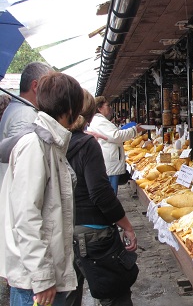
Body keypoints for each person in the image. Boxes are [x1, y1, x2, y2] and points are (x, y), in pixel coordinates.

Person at [0, 72, 84, 306]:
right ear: (70, 108)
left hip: (43, 278)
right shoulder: (34, 146)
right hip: (35, 284)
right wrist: (43, 277)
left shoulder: (49, 142)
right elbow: (26, 216)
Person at [65, 90, 138, 306]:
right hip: (93, 232)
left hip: (67, 229)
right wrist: (127, 226)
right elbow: (101, 194)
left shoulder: (56, 141)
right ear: (90, 114)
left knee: (70, 293)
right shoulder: (87, 144)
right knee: (114, 294)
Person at [0, 62, 54, 188]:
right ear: (35, 86)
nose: (53, 93)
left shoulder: (19, 110)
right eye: (50, 87)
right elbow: (23, 168)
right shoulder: (25, 116)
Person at [87, 96, 143, 196]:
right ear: (100, 108)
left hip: (110, 159)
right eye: (107, 105)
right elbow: (116, 136)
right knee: (111, 193)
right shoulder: (100, 121)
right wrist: (134, 130)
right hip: (110, 161)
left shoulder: (99, 121)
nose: (110, 108)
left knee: (110, 191)